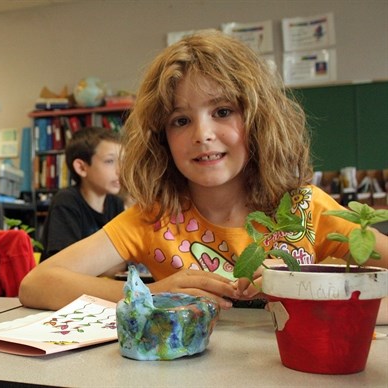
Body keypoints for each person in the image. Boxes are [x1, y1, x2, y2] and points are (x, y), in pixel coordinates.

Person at [19, 31, 388, 312]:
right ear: (160, 138)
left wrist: (309, 290)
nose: (203, 135)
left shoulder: (305, 210)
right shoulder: (155, 219)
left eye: (223, 111)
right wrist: (152, 294)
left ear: (258, 120)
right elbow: (37, 283)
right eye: (180, 120)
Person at [40, 126, 124, 263]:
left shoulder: (116, 203)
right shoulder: (66, 201)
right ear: (81, 167)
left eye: (122, 161)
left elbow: (123, 258)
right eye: (110, 161)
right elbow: (67, 265)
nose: (120, 170)